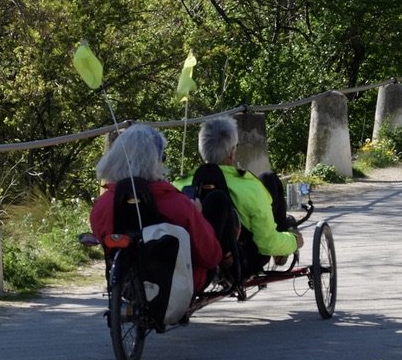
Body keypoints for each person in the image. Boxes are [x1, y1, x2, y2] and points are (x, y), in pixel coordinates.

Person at [90, 124, 222, 293]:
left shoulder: (103, 205)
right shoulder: (179, 204)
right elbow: (210, 256)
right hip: (176, 289)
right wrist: (198, 215)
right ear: (156, 160)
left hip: (125, 284)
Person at [176, 116, 302, 274]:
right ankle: (282, 246)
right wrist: (294, 242)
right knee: (269, 179)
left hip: (195, 263)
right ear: (231, 152)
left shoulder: (179, 186)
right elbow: (266, 243)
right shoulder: (249, 188)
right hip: (244, 261)